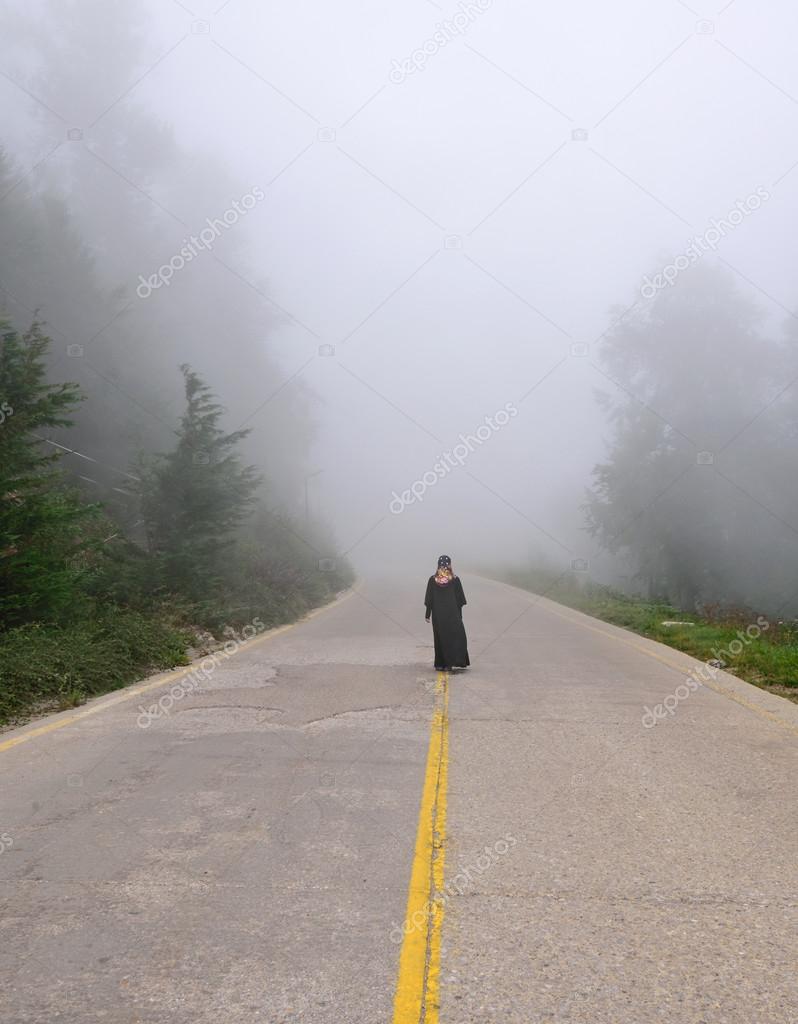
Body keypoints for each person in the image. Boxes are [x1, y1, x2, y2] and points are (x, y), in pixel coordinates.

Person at [424, 555, 469, 671]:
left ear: (438, 565)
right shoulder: (455, 579)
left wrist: (427, 614)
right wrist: (460, 616)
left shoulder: (432, 580)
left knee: (440, 638)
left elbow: (429, 599)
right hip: (453, 615)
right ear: (449, 565)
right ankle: (452, 662)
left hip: (438, 616)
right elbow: (460, 600)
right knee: (455, 637)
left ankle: (440, 664)